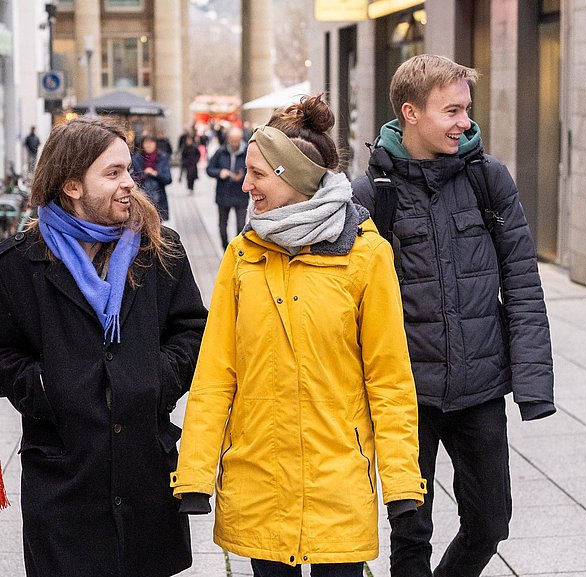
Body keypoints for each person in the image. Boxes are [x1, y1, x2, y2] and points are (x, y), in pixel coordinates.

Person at [170, 94, 426, 576]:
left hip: (339, 481)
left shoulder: (366, 255)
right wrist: (195, 473)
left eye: (257, 174)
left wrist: (401, 484)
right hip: (259, 478)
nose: (245, 185)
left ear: (292, 178)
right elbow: (215, 374)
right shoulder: (243, 256)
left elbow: (389, 380)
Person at [351, 54, 555, 577]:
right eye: (452, 111)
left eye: (466, 109)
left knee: (490, 524)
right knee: (411, 534)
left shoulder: (490, 179)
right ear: (411, 112)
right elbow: (351, 303)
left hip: (479, 388)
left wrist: (533, 383)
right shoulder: (370, 194)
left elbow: (522, 281)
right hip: (405, 395)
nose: (466, 122)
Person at [0, 116, 207, 577]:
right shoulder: (19, 263)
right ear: (72, 185)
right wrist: (43, 385)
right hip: (62, 483)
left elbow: (193, 330)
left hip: (145, 476)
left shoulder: (159, 249)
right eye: (112, 173)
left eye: (128, 171)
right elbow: (4, 353)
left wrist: (156, 378)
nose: (129, 184)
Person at [206, 126, 247, 249]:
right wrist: (220, 173)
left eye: (237, 140)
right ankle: (226, 250)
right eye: (232, 140)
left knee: (241, 227)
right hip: (223, 194)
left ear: (241, 139)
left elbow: (255, 170)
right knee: (222, 227)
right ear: (228, 139)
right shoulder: (221, 151)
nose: (234, 143)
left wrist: (243, 175)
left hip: (241, 195)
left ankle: (238, 250)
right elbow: (209, 169)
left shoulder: (247, 152)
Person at [131, 134, 173, 221]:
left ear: (156, 144)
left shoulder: (162, 158)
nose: (149, 145)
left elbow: (168, 179)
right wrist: (144, 173)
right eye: (146, 142)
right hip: (141, 198)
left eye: (151, 142)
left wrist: (155, 174)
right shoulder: (136, 159)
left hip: (159, 199)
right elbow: (132, 178)